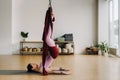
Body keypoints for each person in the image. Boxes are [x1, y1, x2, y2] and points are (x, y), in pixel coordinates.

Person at [41, 6, 60, 75]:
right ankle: (49, 16)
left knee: (49, 29)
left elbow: (44, 61)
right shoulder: (50, 59)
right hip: (54, 50)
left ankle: (49, 16)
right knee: (49, 29)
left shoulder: (50, 59)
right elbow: (44, 62)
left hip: (54, 50)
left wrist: (51, 13)